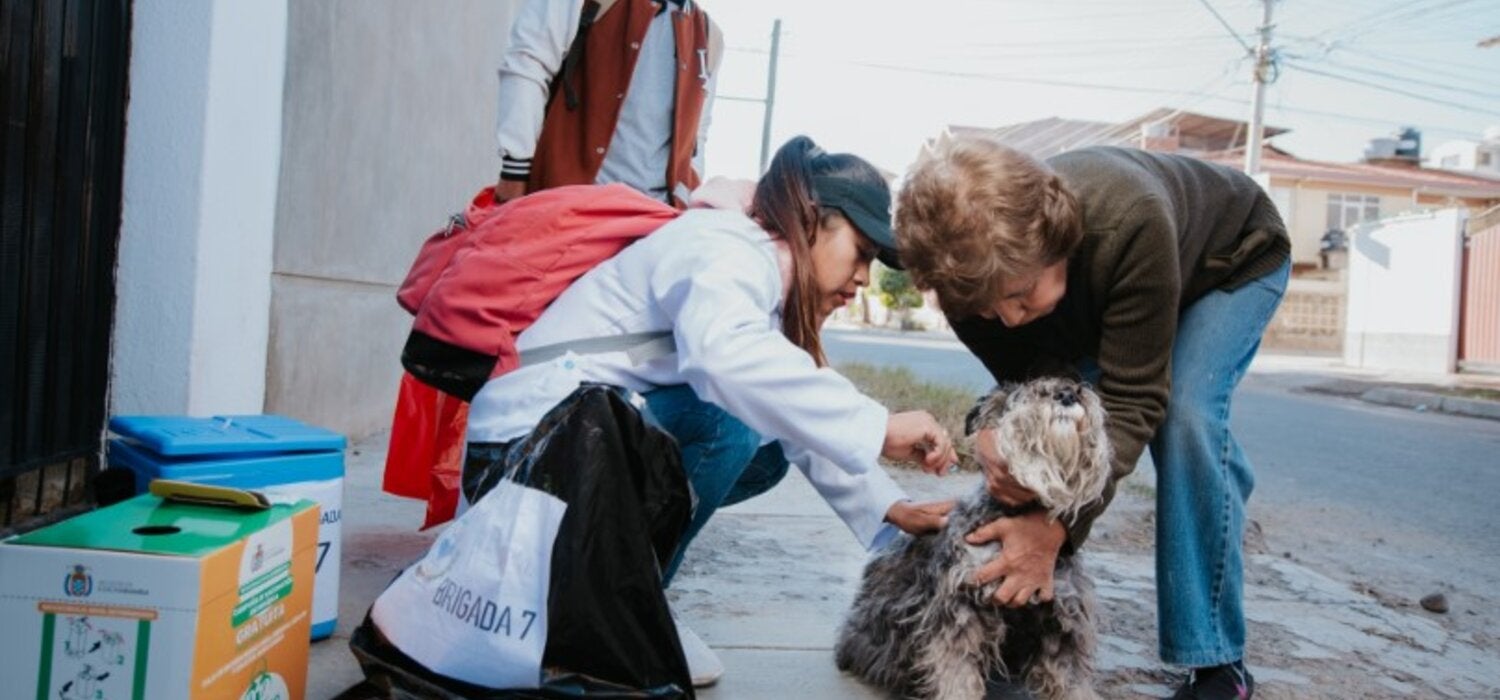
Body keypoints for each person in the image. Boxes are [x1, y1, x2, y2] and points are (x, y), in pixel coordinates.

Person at [464, 136, 959, 687]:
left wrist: (889, 505)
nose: (865, 277)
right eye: (863, 251)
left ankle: (610, 592)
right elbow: (725, 359)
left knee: (763, 451)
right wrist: (880, 426)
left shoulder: (754, 269)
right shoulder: (725, 248)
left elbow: (782, 396)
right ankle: (623, 610)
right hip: (523, 459)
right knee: (733, 424)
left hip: (565, 451)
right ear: (814, 218)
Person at [895, 136, 1291, 700]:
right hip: (1107, 282)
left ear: (1053, 243)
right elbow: (1025, 388)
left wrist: (1055, 529)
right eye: (988, 306)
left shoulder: (1129, 219)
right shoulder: (971, 282)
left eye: (1021, 293)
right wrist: (989, 430)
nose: (1008, 318)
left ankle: (1217, 660)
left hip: (1227, 262)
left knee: (1185, 417)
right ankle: (1018, 620)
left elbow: (1135, 397)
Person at [494, 0, 721, 207]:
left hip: (655, 223)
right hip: (571, 206)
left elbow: (696, 137)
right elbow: (527, 63)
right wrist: (516, 169)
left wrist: (687, 205)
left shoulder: (708, 36)